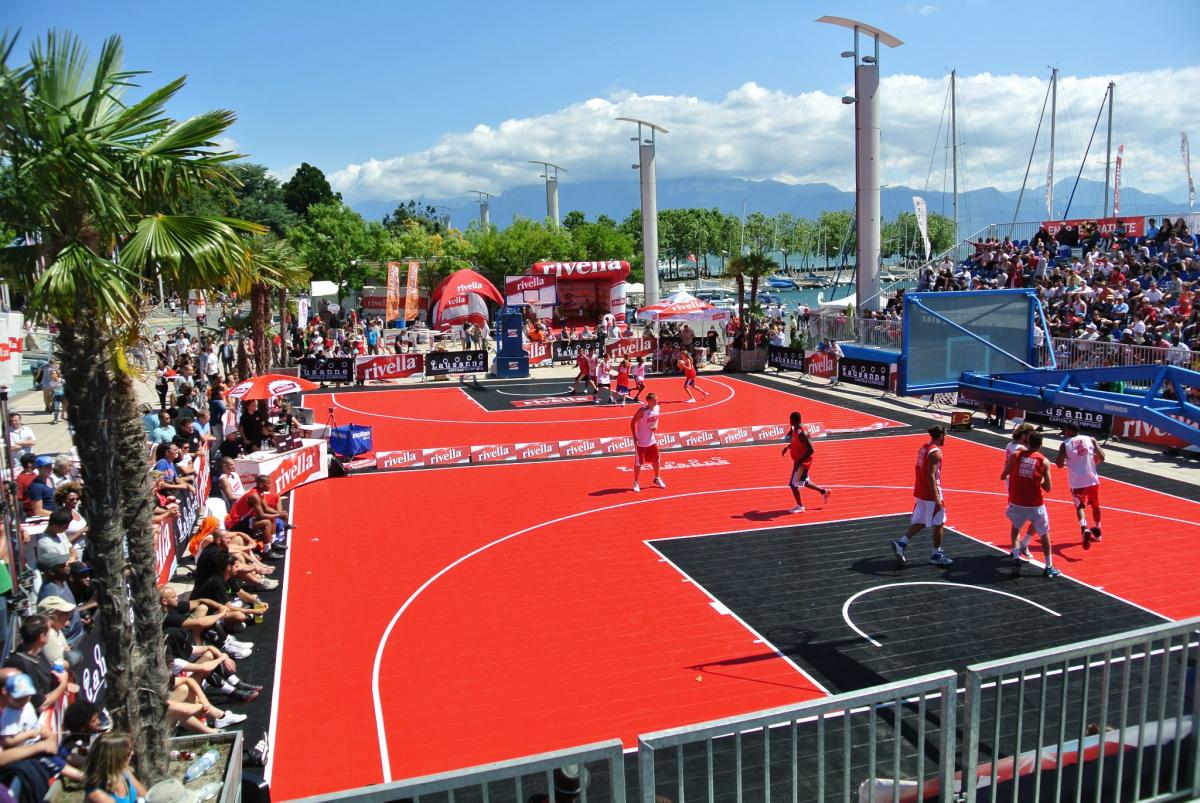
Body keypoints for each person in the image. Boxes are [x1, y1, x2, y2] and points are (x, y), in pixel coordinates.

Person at [891, 426, 953, 566]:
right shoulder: (936, 453)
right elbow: (931, 476)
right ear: (941, 436)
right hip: (931, 493)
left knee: (922, 520)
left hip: (921, 490)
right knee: (940, 523)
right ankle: (936, 554)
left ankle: (901, 543)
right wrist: (937, 498)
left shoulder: (924, 447)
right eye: (945, 436)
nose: (946, 439)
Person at [1003, 430, 1060, 577]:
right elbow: (1048, 488)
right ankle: (1048, 566)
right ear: (1041, 444)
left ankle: (1016, 556)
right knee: (1044, 533)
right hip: (1035, 503)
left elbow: (1003, 476)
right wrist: (1038, 480)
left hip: (1017, 501)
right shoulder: (1044, 461)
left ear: (1027, 442)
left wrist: (1017, 475)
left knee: (1015, 528)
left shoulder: (1015, 456)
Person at [1055, 420, 1105, 549]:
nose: (1064, 432)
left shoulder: (1065, 444)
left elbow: (1059, 463)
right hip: (1092, 479)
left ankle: (1084, 527)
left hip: (1077, 481)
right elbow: (1102, 456)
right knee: (1096, 505)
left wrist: (1067, 462)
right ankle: (1098, 530)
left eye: (1065, 430)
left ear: (1069, 431)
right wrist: (1094, 459)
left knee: (1080, 506)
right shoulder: (1090, 439)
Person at [780, 412, 831, 513]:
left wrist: (800, 461)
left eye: (790, 420)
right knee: (803, 481)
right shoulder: (795, 429)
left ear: (793, 420)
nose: (789, 422)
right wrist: (788, 447)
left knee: (793, 485)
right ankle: (823, 491)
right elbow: (796, 443)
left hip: (802, 463)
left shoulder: (803, 433)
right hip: (798, 461)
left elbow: (811, 450)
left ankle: (800, 506)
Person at [83, 731, 147, 803]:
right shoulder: (97, 795)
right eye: (128, 753)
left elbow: (146, 797)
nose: (133, 753)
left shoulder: (124, 772)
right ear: (115, 758)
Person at [629, 392, 665, 492]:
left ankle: (657, 478)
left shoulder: (657, 408)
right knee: (638, 463)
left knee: (656, 460)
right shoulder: (642, 411)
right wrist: (634, 437)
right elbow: (632, 422)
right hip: (641, 441)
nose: (656, 401)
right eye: (654, 400)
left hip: (652, 440)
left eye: (657, 400)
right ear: (648, 401)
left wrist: (656, 426)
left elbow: (656, 418)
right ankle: (636, 482)